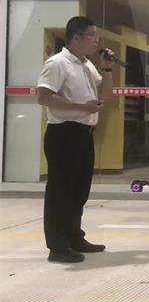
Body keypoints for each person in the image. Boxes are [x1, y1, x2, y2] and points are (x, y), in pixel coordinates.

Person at [37, 16, 115, 263]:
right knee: (60, 191)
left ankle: (74, 237)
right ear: (76, 38)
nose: (96, 41)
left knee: (79, 190)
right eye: (92, 35)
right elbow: (43, 97)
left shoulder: (87, 65)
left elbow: (106, 94)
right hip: (64, 134)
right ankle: (57, 247)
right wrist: (82, 107)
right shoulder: (57, 63)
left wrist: (107, 68)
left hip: (84, 133)